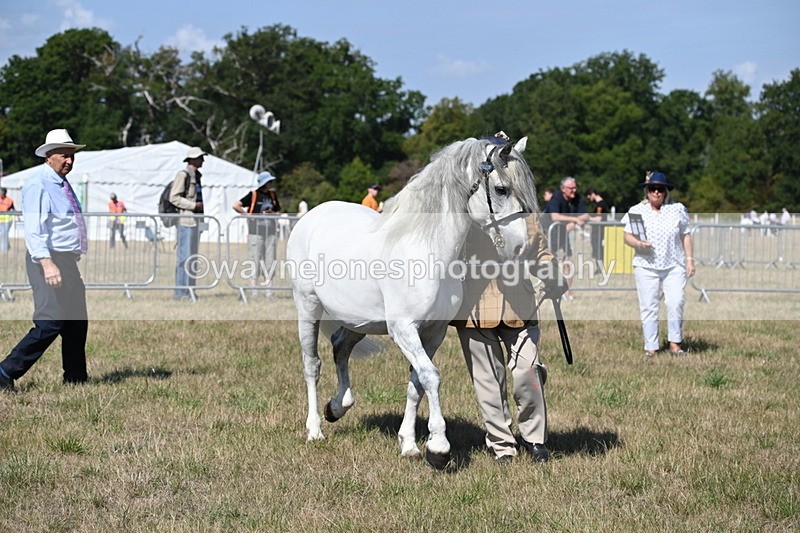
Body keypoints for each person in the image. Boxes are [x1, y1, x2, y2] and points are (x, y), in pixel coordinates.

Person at [454, 214, 567, 464]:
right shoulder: (465, 212)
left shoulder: (526, 215)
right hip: (475, 306)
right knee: (488, 380)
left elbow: (540, 252)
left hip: (521, 303)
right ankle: (502, 445)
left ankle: (534, 438)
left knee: (529, 369)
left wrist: (553, 274)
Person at [0, 129, 89, 391]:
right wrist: (47, 263)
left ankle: (75, 378)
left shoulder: (61, 181)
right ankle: (5, 372)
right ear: (49, 156)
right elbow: (34, 229)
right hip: (48, 261)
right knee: (50, 322)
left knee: (76, 322)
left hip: (65, 261)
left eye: (72, 156)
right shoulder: (39, 183)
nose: (69, 161)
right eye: (64, 156)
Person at [621, 171, 695, 358]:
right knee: (649, 305)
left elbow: (685, 235)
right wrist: (638, 244)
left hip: (674, 264)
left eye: (660, 189)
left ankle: (675, 344)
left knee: (676, 301)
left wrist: (689, 260)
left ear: (666, 191)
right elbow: (627, 236)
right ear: (646, 191)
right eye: (652, 189)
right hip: (646, 264)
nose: (656, 192)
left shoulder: (677, 209)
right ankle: (651, 347)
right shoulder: (637, 210)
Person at [233, 171, 281, 297]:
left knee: (270, 260)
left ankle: (269, 291)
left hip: (270, 232)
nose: (271, 184)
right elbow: (236, 205)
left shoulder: (272, 195)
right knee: (254, 259)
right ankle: (254, 290)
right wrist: (248, 216)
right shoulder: (253, 194)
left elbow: (278, 212)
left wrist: (272, 214)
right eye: (269, 182)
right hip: (256, 233)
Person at [543, 177, 589, 300]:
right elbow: (555, 216)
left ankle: (567, 292)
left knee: (568, 261)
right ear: (563, 189)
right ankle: (549, 290)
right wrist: (574, 219)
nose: (574, 190)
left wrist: (573, 223)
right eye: (571, 188)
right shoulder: (556, 197)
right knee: (549, 262)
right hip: (548, 233)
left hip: (562, 233)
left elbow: (586, 215)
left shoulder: (577, 198)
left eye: (575, 187)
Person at [170, 146, 206, 300]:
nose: (203, 160)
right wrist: (193, 206)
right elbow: (174, 197)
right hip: (186, 222)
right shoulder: (183, 175)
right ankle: (180, 292)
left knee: (192, 258)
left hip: (196, 222)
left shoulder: (197, 176)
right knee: (184, 257)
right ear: (192, 159)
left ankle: (190, 290)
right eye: (200, 157)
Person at [585, 187, 610, 271]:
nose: (590, 199)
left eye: (589, 197)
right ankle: (599, 267)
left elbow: (599, 218)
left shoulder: (600, 205)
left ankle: (600, 267)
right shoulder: (601, 204)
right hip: (598, 230)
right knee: (597, 248)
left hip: (599, 230)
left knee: (597, 248)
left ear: (592, 194)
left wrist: (588, 218)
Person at [0, 187, 16, 252]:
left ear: (5, 193)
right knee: (2, 233)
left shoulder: (9, 200)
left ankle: (4, 249)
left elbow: (13, 209)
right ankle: (5, 246)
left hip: (7, 219)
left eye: (2, 192)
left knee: (4, 233)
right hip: (1, 219)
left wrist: (18, 217)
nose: (1, 193)